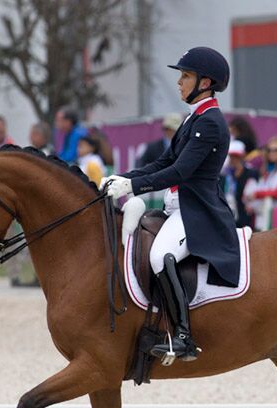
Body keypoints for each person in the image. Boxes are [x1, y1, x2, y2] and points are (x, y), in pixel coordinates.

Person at [101, 46, 237, 363]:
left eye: (186, 76)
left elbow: (180, 172)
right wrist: (121, 177)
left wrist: (132, 187)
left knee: (162, 256)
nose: (179, 82)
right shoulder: (195, 119)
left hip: (196, 209)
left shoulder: (211, 122)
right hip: (175, 207)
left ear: (206, 82)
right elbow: (162, 162)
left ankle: (184, 337)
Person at [224, 140, 257, 229]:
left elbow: (250, 196)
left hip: (246, 218)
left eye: (237, 156)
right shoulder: (226, 174)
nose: (234, 159)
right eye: (232, 156)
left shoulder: (251, 173)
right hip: (229, 216)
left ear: (243, 156)